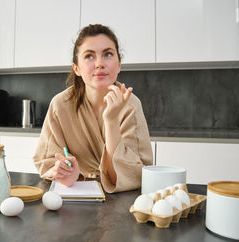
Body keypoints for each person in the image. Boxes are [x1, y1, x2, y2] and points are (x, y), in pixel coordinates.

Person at [33, 24, 153, 193]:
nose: (99, 64)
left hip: (122, 199)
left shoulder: (131, 105)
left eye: (108, 54)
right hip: (74, 194)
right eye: (89, 56)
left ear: (119, 64)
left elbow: (134, 172)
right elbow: (47, 161)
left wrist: (111, 121)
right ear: (77, 68)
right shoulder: (60, 105)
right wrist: (64, 171)